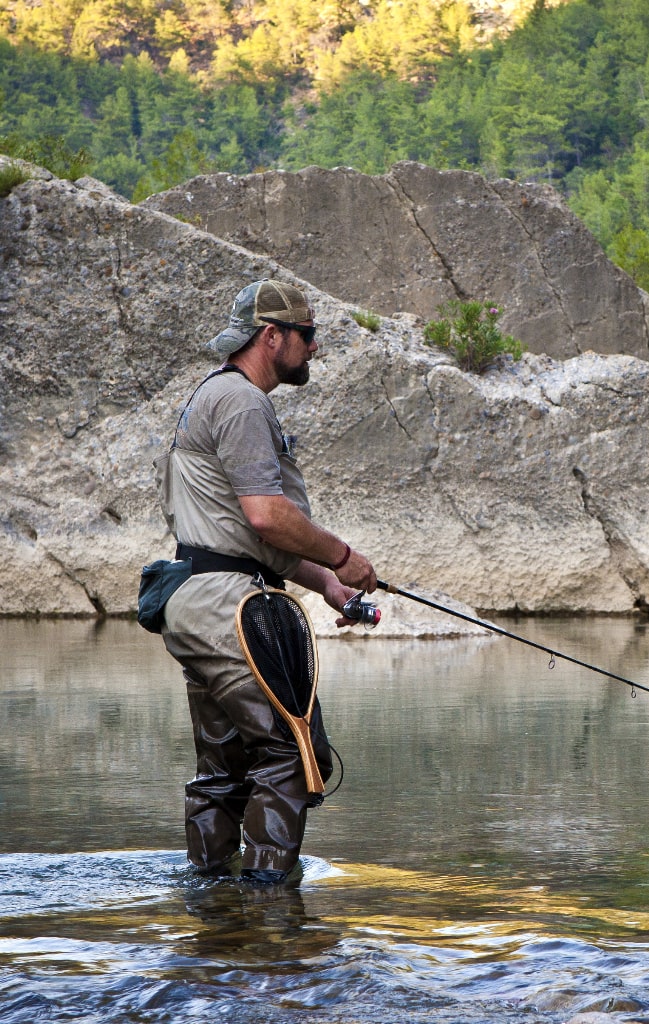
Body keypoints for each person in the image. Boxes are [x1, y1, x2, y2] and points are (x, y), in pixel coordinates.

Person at [155, 279, 376, 885]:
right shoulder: (244, 402)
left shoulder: (214, 396)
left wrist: (326, 586)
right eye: (306, 336)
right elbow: (266, 516)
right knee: (288, 753)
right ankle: (272, 916)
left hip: (197, 600)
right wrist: (343, 557)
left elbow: (242, 537)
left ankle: (212, 907)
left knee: (225, 765)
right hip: (230, 609)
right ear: (271, 336)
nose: (313, 349)